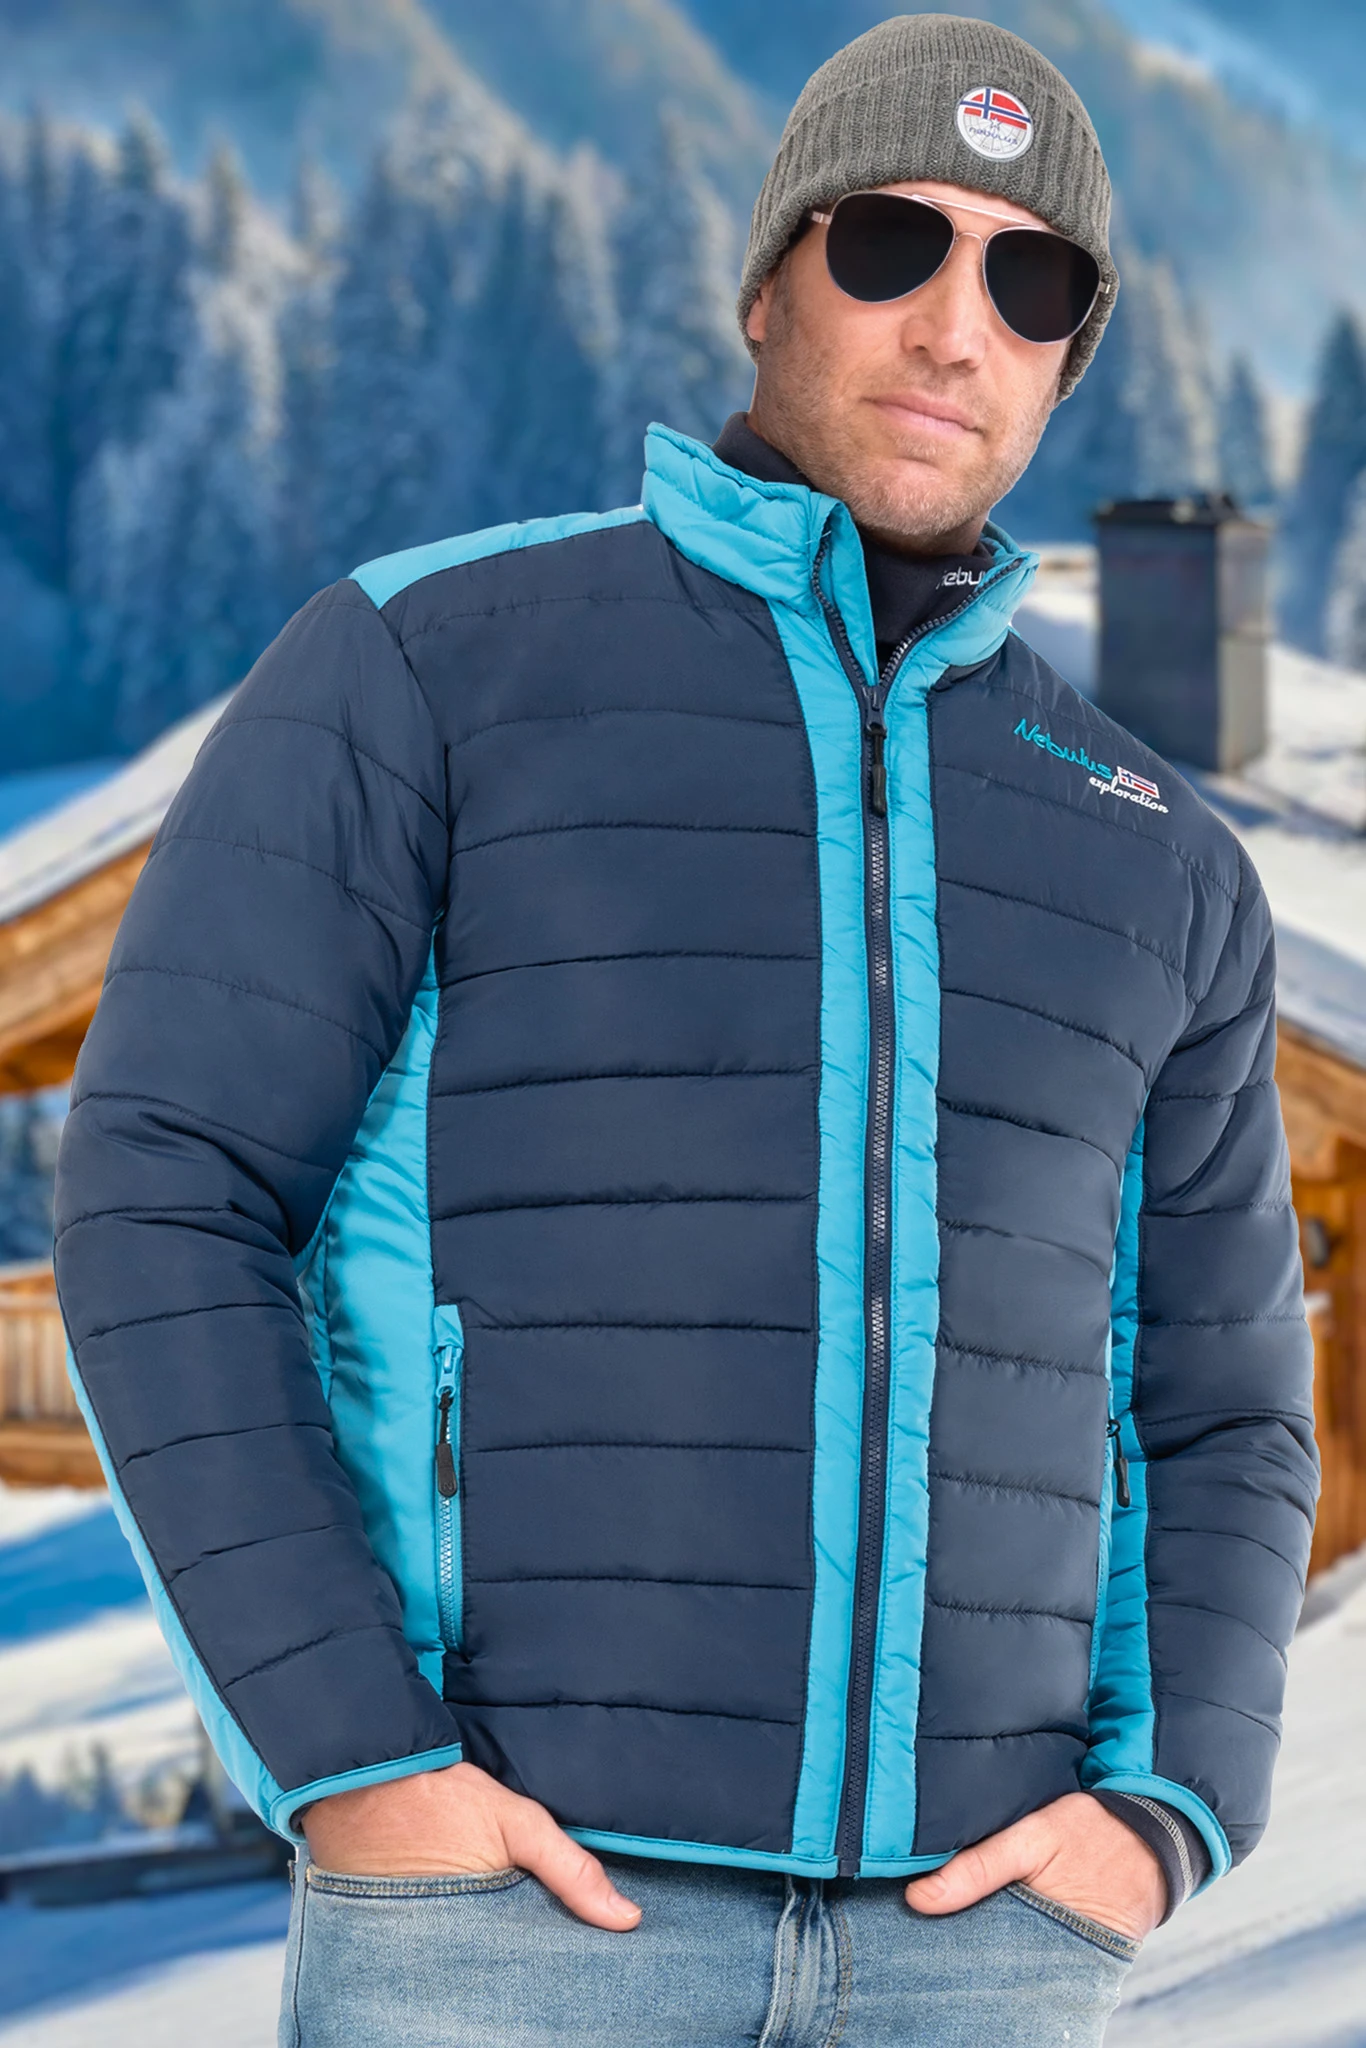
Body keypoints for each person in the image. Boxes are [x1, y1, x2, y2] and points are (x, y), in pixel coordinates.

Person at [54, 14, 1317, 2046]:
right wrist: (353, 1755)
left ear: (1068, 359)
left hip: (981, 1949)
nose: (954, 324)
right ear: (762, 285)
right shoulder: (425, 668)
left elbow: (1225, 1401)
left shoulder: (1155, 854)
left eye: (1030, 280)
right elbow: (168, 1193)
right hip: (504, 1921)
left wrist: (1160, 1815)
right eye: (889, 243)